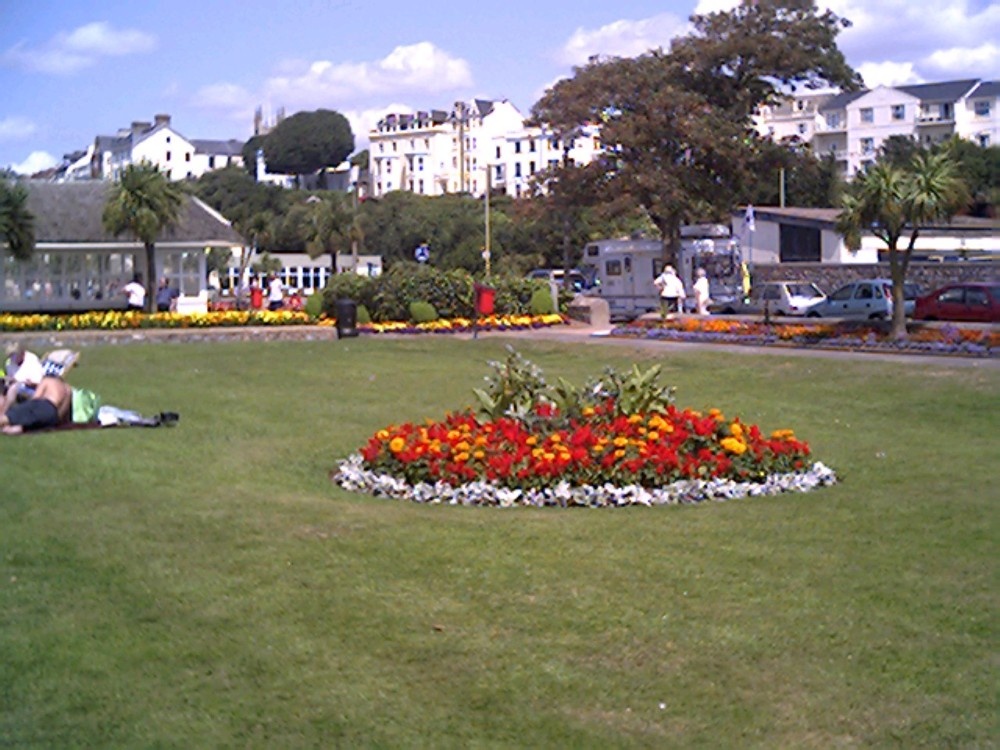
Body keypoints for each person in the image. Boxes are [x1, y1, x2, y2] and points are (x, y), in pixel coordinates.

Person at [0, 375, 72, 434]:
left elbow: (35, 399)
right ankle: (16, 428)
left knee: (10, 416)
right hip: (52, 416)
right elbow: (62, 412)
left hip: (43, 405)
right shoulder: (67, 388)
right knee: (28, 423)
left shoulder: (47, 380)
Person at [2, 343, 44, 417]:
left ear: (22, 353)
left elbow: (39, 383)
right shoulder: (9, 363)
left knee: (14, 388)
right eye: (10, 356)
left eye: (14, 356)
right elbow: (12, 377)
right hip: (15, 387)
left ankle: (2, 415)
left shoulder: (32, 360)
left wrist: (27, 382)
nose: (12, 359)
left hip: (31, 389)